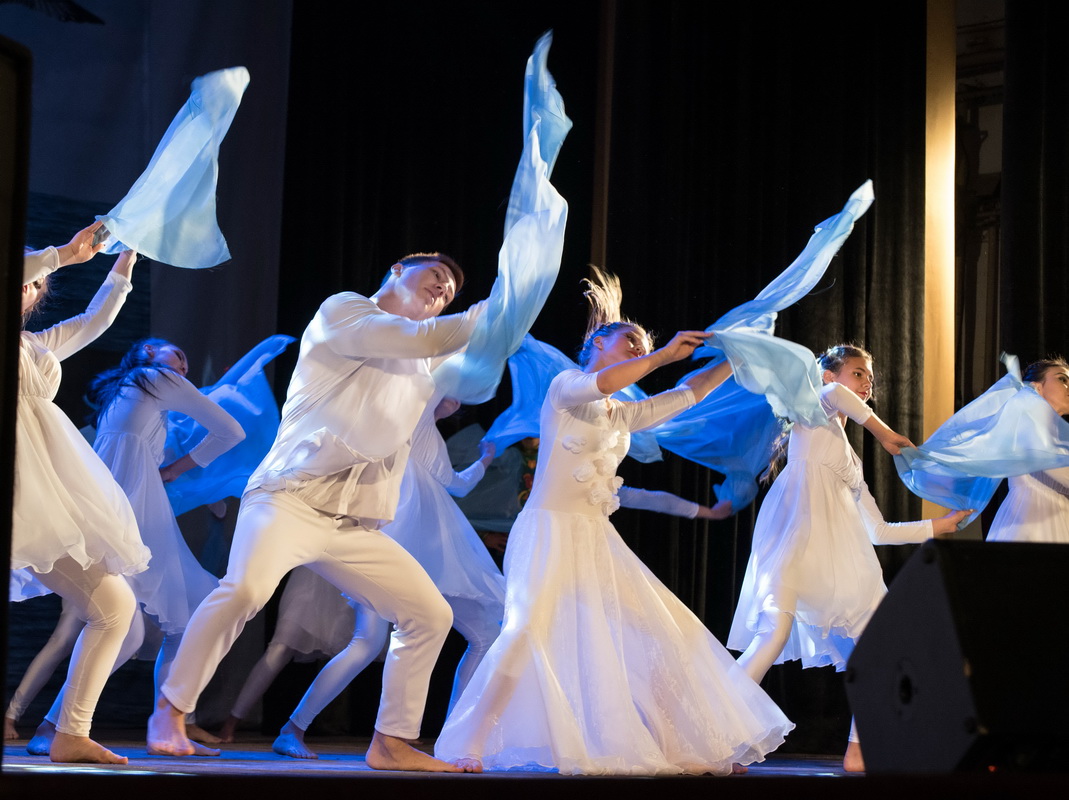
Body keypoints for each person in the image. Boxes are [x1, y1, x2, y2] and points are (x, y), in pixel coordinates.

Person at [433, 271, 794, 775]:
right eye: (630, 340)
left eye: (643, 345)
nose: (639, 348)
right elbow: (604, 383)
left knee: (655, 633)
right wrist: (662, 355)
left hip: (595, 537)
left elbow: (686, 394)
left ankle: (686, 747)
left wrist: (733, 359)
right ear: (597, 343)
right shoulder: (565, 388)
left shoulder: (619, 415)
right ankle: (468, 743)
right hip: (550, 530)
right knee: (524, 630)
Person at [146, 254, 486, 772]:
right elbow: (418, 338)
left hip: (350, 524)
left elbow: (450, 362)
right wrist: (495, 305)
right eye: (436, 277)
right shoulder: (345, 311)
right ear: (397, 269)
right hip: (288, 497)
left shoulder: (422, 366)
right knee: (245, 590)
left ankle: (391, 742)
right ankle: (170, 710)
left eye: (450, 293)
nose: (443, 290)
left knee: (429, 615)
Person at [725, 344, 970, 772]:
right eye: (859, 372)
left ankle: (858, 749)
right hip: (796, 545)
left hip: (840, 565)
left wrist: (940, 526)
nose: (867, 382)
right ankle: (714, 734)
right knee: (773, 635)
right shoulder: (813, 410)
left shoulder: (851, 462)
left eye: (870, 377)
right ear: (828, 375)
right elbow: (836, 396)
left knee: (880, 650)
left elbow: (877, 531)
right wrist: (884, 433)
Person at [268, 395, 502, 759]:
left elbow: (453, 483)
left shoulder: (420, 429)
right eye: (451, 391)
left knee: (477, 633)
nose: (456, 401)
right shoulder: (415, 412)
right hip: (403, 538)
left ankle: (453, 738)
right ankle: (294, 728)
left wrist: (483, 458)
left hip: (421, 540)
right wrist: (483, 454)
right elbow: (455, 479)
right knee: (371, 642)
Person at [13, 223, 150, 764]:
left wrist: (126, 259)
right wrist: (62, 256)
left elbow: (96, 321)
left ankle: (71, 732)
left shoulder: (35, 345)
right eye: (25, 276)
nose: (29, 287)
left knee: (115, 605)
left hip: (41, 491)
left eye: (33, 285)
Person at [986, 357, 1069, 543]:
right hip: (1029, 523)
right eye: (1062, 379)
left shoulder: (1057, 436)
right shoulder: (1027, 428)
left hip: (1060, 520)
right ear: (1037, 387)